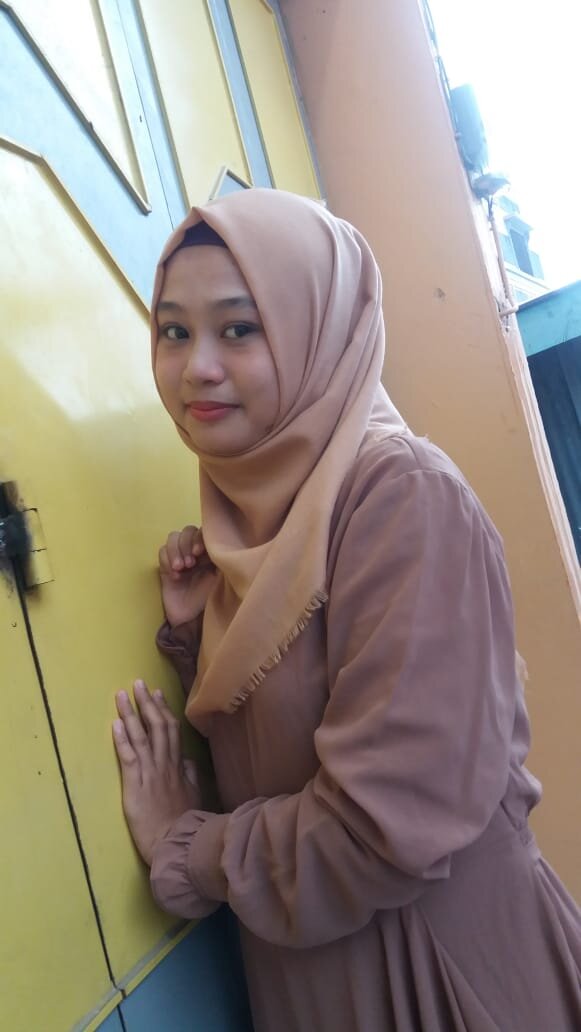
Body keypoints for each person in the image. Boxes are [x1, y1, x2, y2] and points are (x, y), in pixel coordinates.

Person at [112, 188, 581, 1031]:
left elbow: (383, 827)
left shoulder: (400, 498)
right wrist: (200, 631)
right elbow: (294, 730)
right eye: (173, 332)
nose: (196, 367)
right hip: (321, 985)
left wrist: (188, 844)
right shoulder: (264, 524)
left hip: (439, 981)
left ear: (317, 330)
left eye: (239, 328)